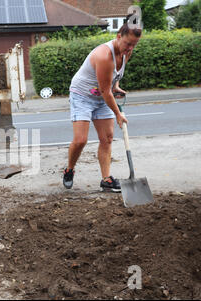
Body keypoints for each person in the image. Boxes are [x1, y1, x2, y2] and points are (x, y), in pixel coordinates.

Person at [63, 17, 142, 192]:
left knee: (106, 138)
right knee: (80, 140)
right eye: (128, 43)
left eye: (134, 45)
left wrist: (116, 86)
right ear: (119, 35)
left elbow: (113, 79)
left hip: (102, 96)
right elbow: (105, 92)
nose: (130, 48)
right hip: (82, 95)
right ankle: (69, 169)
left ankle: (106, 180)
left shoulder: (127, 52)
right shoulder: (104, 55)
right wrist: (118, 113)